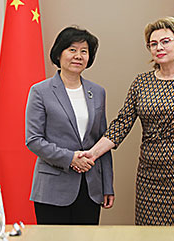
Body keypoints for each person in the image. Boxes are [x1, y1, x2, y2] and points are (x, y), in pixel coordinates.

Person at [77, 16, 174, 225]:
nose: (158, 47)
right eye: (153, 44)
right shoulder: (141, 82)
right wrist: (92, 153)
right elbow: (121, 124)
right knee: (147, 234)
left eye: (165, 41)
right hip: (150, 175)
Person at [25, 26, 114, 225]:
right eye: (72, 49)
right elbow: (34, 140)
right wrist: (71, 158)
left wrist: (107, 185)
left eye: (84, 51)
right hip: (53, 188)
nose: (78, 56)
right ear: (59, 53)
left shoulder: (98, 92)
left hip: (90, 188)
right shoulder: (40, 91)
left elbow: (104, 141)